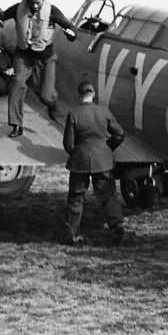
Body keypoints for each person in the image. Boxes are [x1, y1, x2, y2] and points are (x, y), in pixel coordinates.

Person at [0, 0, 78, 137]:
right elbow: (2, 17)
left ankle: (53, 104)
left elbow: (70, 28)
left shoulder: (53, 11)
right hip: (24, 55)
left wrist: (71, 34)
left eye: (37, 2)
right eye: (31, 3)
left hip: (45, 57)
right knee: (17, 83)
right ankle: (16, 124)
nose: (35, 6)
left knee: (46, 96)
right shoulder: (18, 9)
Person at [62, 81, 125, 245]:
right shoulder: (103, 111)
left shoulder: (74, 114)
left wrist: (76, 152)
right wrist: (106, 148)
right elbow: (119, 134)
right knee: (107, 195)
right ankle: (117, 226)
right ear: (93, 94)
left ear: (79, 94)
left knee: (76, 197)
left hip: (80, 160)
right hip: (103, 160)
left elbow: (68, 144)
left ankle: (72, 234)